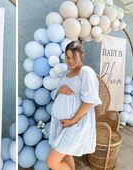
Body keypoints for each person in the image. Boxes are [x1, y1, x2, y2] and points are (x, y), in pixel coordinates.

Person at [47, 40, 102, 170]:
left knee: (51, 162)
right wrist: (60, 90)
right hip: (62, 123)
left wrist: (72, 121)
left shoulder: (85, 71)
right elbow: (57, 97)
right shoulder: (65, 75)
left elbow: (89, 101)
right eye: (68, 57)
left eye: (74, 57)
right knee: (67, 155)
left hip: (76, 124)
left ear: (81, 56)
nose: (70, 61)